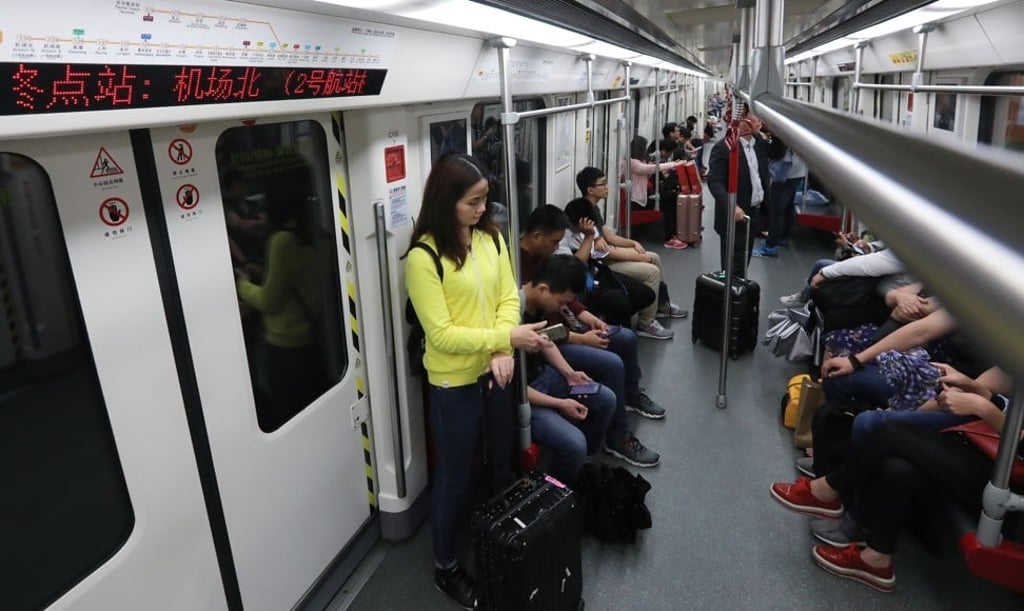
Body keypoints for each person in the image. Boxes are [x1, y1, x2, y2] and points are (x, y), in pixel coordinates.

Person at [404, 153, 549, 610]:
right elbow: (442, 333)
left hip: (495, 368)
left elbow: (509, 295)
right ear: (446, 203)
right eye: (472, 202)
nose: (482, 209)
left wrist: (503, 349)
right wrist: (504, 338)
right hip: (454, 383)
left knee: (501, 460)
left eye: (485, 199)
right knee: (452, 479)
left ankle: (502, 539)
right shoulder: (424, 257)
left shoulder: (491, 239)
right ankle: (446, 565)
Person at [771, 365, 1017, 592]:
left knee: (887, 433)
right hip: (987, 450)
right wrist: (976, 390)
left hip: (1008, 478)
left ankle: (827, 491)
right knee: (897, 466)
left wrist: (982, 407)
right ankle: (876, 560)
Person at [519, 206, 661, 466]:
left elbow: (565, 295)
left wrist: (586, 317)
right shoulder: (517, 273)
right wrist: (581, 338)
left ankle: (630, 398)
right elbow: (545, 331)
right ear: (537, 237)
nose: (555, 248)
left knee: (625, 338)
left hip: (559, 334)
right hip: (556, 342)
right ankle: (617, 437)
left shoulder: (544, 262)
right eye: (553, 242)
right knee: (612, 363)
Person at [235, 171, 327, 431]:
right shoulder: (315, 235)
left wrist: (242, 284)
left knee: (285, 412)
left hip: (285, 344)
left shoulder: (282, 241)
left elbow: (269, 301)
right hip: (311, 340)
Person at [521, 254, 616, 484]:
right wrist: (560, 404)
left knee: (606, 399)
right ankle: (552, 495)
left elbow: (546, 341)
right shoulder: (511, 316)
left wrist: (569, 374)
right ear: (543, 289)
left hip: (545, 378)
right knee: (575, 444)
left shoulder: (539, 305)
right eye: (562, 302)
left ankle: (581, 468)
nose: (563, 308)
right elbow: (517, 389)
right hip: (526, 397)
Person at [571, 167, 687, 340]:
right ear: (590, 189)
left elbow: (609, 237)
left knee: (654, 257)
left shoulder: (593, 209)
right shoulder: (583, 214)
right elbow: (606, 253)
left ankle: (661, 304)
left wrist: (633, 244)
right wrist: (639, 256)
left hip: (607, 256)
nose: (607, 187)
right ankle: (646, 323)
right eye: (603, 184)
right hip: (603, 264)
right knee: (652, 272)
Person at [707, 118, 769, 278]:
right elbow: (715, 182)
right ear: (744, 124)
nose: (760, 124)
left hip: (754, 211)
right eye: (756, 121)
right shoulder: (724, 148)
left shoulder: (759, 143)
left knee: (744, 258)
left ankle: (740, 291)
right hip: (734, 214)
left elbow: (775, 155)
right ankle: (730, 294)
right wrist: (732, 205)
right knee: (731, 262)